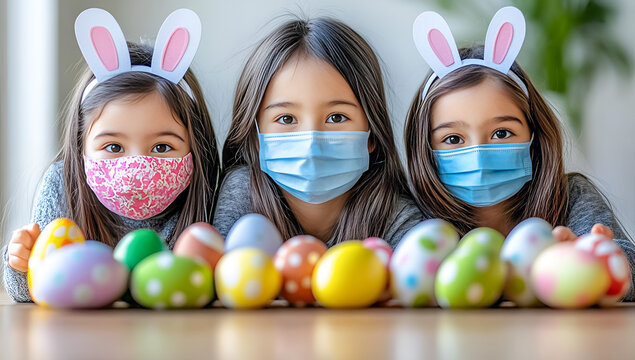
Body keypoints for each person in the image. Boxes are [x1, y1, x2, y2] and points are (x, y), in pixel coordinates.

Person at [404, 7, 635, 300]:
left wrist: (595, 260)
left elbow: (630, 271)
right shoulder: (414, 213)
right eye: (453, 138)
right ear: (424, 148)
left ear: (535, 135)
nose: (480, 155)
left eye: (501, 133)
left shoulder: (573, 196)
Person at [3, 8, 220, 302]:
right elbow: (33, 288)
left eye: (162, 147)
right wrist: (19, 264)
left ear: (195, 147)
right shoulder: (62, 187)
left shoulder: (209, 196)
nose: (136, 168)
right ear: (81, 146)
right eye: (114, 147)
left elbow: (221, 283)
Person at [214, 16, 422, 246]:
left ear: (372, 133)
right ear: (255, 136)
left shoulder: (400, 221)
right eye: (286, 118)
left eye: (336, 117)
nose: (312, 143)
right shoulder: (244, 196)